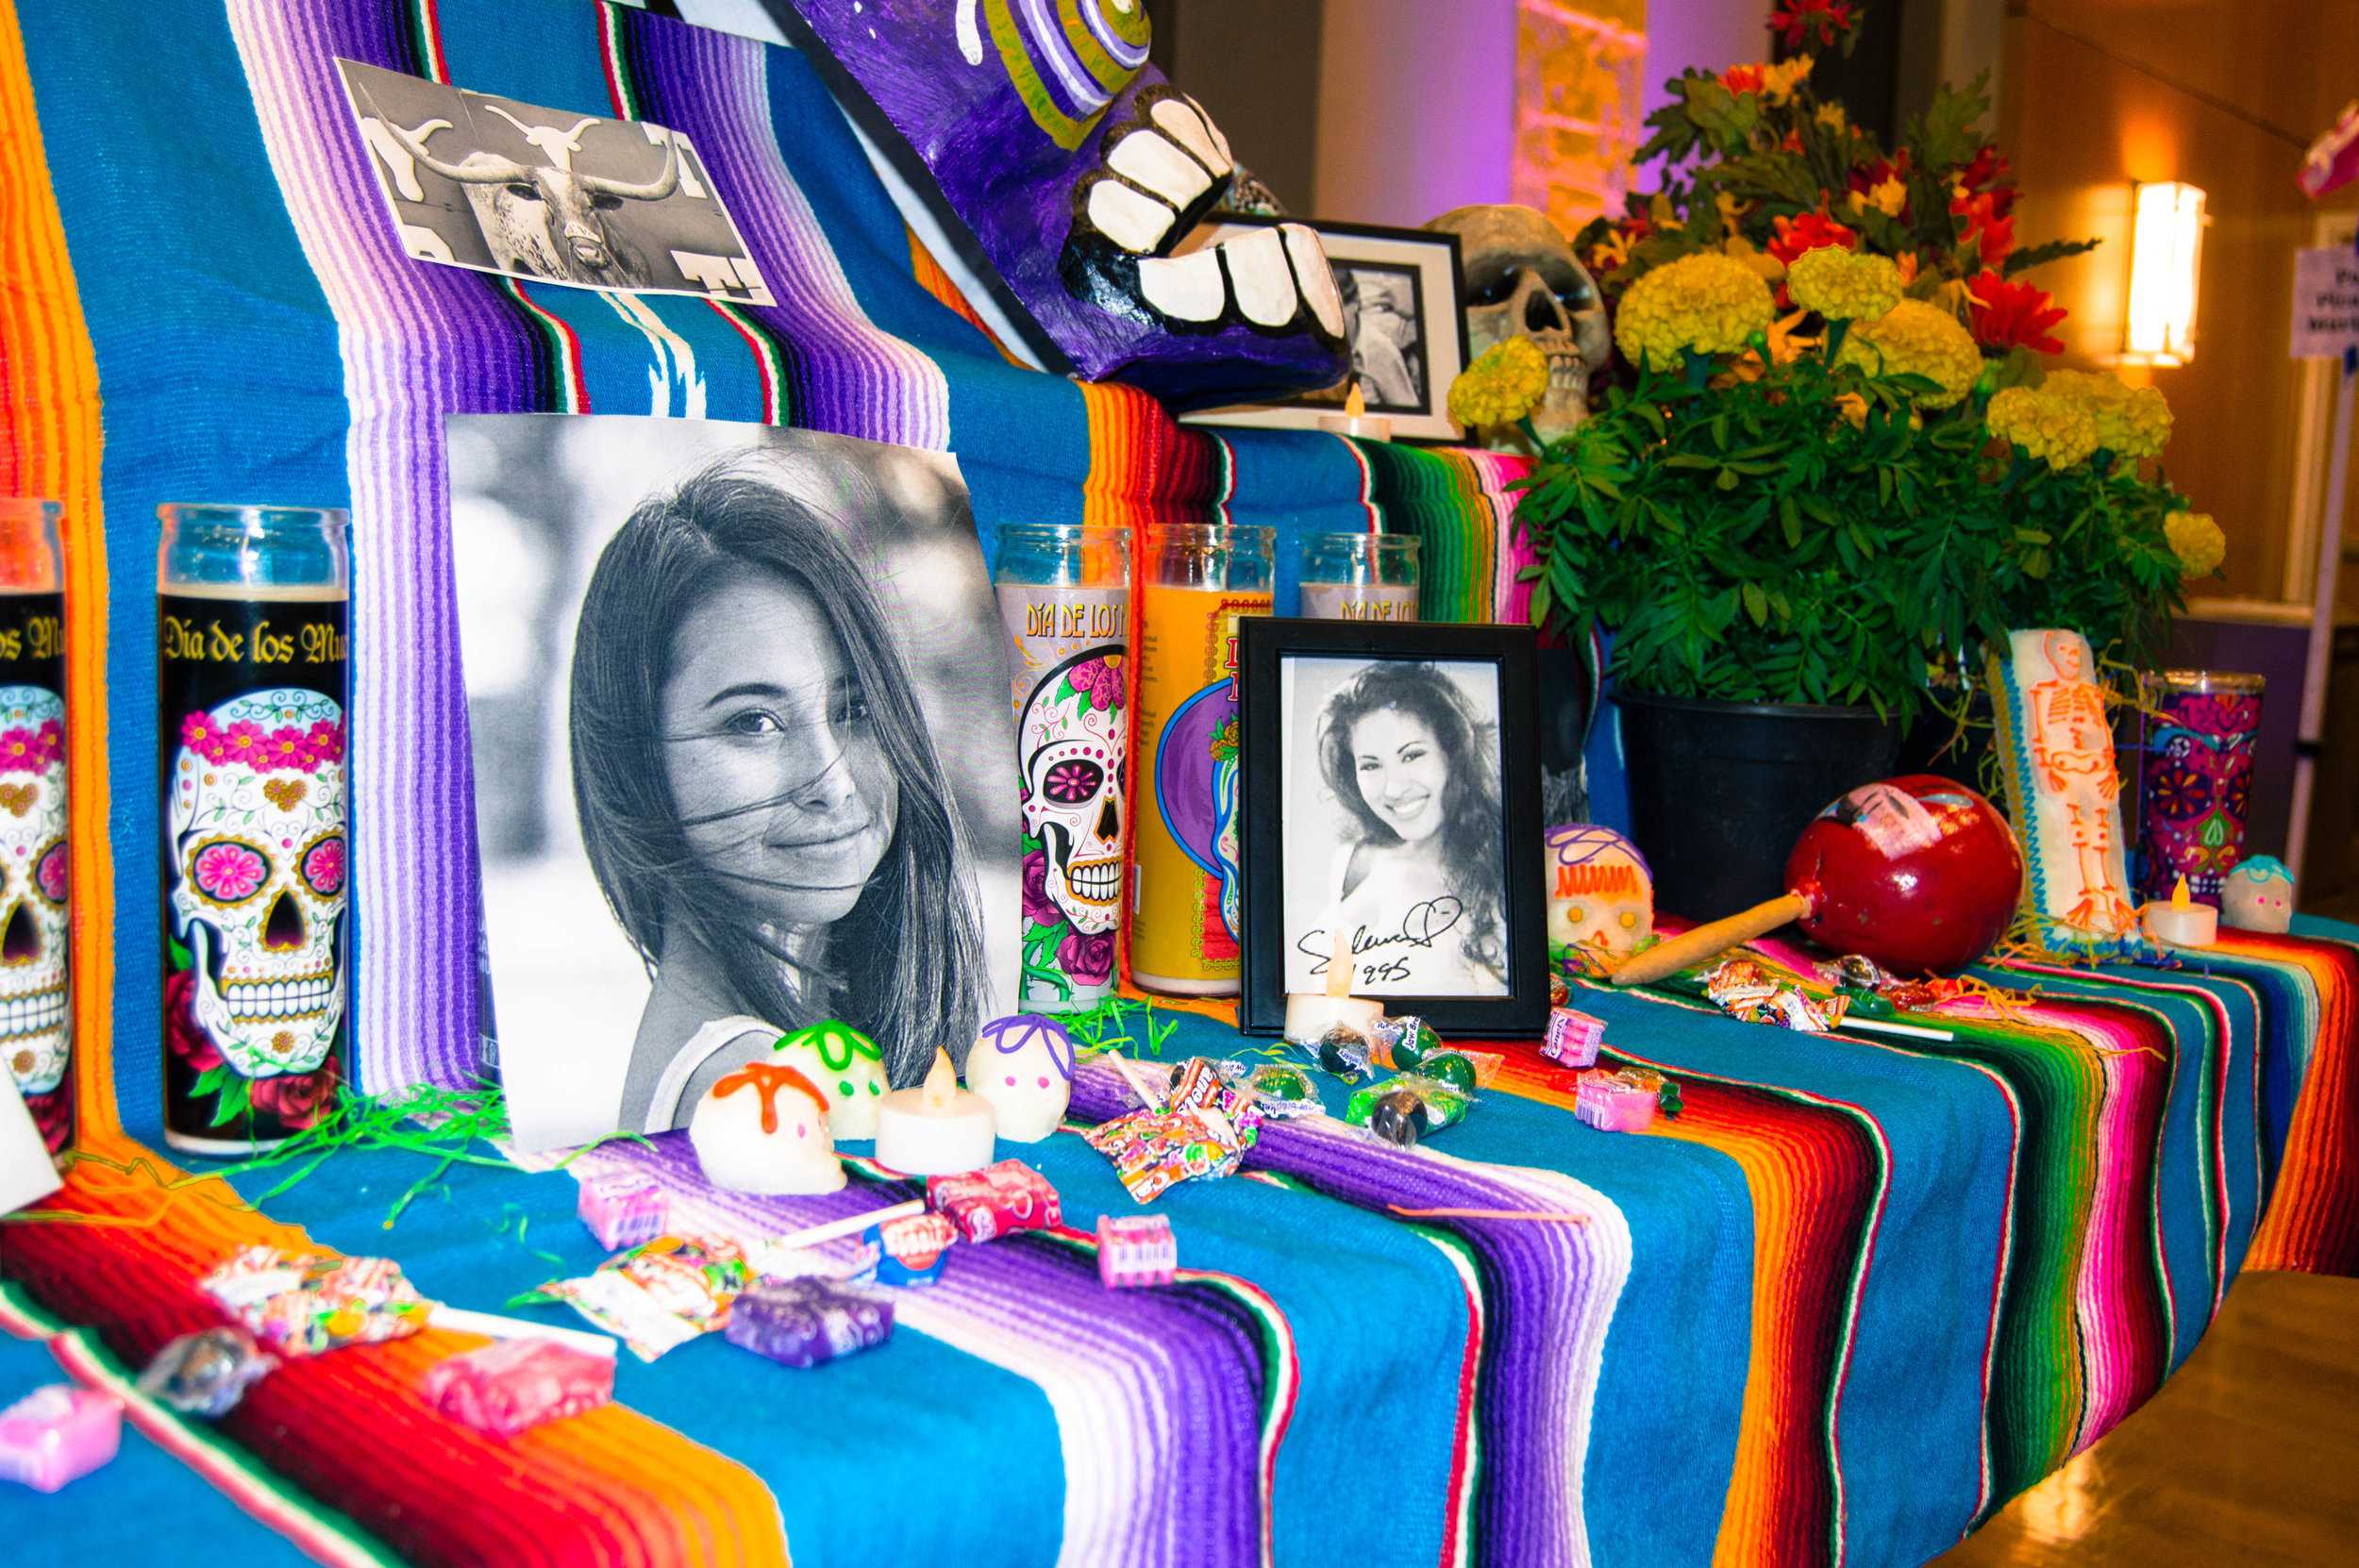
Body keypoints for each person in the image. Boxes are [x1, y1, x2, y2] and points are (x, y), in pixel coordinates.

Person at [571, 459, 990, 1131]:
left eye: (854, 710)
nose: (835, 782)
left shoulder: (805, 1039)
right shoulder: (755, 1096)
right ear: (636, 763)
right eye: (753, 723)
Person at [1314, 661, 1505, 993]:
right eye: (1371, 765)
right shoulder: (1351, 861)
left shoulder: (1502, 871)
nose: (1393, 789)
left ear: (1453, 754)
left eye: (1412, 755)